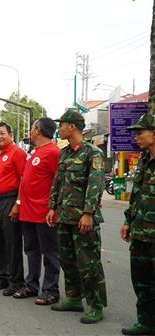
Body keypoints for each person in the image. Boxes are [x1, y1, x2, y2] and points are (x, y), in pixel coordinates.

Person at [47, 110, 106, 324]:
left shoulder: (92, 152)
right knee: (67, 260)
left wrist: (89, 213)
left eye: (61, 125)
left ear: (72, 126)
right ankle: (73, 298)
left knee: (88, 264)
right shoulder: (65, 153)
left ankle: (95, 305)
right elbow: (58, 182)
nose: (59, 128)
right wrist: (52, 207)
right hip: (65, 216)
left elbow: (96, 184)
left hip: (83, 218)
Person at [16, 118, 61, 305]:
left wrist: (54, 208)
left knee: (50, 252)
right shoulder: (35, 152)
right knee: (31, 250)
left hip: (44, 212)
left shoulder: (54, 152)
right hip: (28, 211)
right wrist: (18, 202)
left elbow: (59, 183)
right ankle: (31, 285)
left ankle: (51, 290)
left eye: (33, 127)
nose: (30, 130)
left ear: (39, 131)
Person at [120, 113, 155, 336]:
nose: (136, 137)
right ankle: (147, 323)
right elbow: (136, 195)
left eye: (140, 132)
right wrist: (127, 221)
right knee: (141, 280)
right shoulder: (144, 160)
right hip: (141, 232)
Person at [0, 122, 26, 295]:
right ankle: (1, 277)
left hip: (9, 200)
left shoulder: (18, 153)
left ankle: (16, 282)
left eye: (2, 133)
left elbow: (23, 180)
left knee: (11, 243)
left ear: (11, 134)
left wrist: (18, 204)